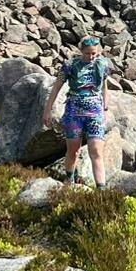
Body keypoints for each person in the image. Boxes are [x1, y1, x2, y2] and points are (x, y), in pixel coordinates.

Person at [42, 35, 113, 188]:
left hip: (95, 113)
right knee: (73, 151)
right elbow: (56, 88)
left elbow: (105, 87)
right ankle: (70, 180)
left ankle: (101, 190)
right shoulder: (69, 66)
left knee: (96, 151)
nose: (91, 57)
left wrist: (105, 108)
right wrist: (47, 110)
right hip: (74, 113)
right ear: (81, 51)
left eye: (94, 53)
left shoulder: (102, 65)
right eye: (87, 53)